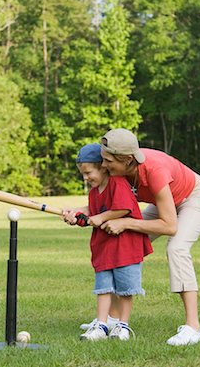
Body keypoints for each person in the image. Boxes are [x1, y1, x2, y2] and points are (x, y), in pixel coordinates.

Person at [91, 128, 200, 346]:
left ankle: (193, 328)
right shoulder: (119, 173)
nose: (103, 166)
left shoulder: (154, 171)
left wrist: (126, 223)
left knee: (177, 248)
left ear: (128, 159)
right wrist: (77, 213)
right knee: (121, 243)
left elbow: (169, 225)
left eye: (108, 161)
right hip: (164, 203)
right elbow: (110, 208)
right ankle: (110, 319)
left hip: (193, 198)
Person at [64, 143, 153, 341]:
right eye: (83, 174)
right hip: (104, 248)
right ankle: (102, 325)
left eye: (88, 173)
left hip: (125, 248)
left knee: (125, 289)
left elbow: (123, 208)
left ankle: (122, 325)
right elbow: (92, 217)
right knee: (103, 288)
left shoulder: (117, 183)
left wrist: (101, 217)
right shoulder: (94, 193)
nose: (86, 178)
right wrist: (77, 218)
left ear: (103, 167)